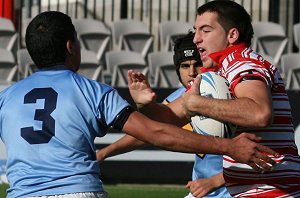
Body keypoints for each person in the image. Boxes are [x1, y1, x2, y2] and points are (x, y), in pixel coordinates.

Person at [0, 11, 277, 198]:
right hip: (77, 190)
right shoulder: (92, 91)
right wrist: (229, 147)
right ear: (71, 46)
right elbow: (155, 132)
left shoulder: (6, 98)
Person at [126, 1, 300, 197]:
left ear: (232, 35)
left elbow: (259, 113)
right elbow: (170, 118)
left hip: (273, 191)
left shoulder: (242, 62)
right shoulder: (215, 73)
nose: (196, 38)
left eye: (205, 30)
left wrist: (197, 103)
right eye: (196, 30)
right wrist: (146, 106)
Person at [97, 32, 230, 198]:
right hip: (202, 190)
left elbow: (261, 151)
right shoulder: (180, 97)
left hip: (233, 191)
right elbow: (150, 131)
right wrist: (104, 153)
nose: (192, 72)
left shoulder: (227, 94)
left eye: (197, 64)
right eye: (184, 66)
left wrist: (216, 181)